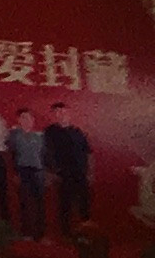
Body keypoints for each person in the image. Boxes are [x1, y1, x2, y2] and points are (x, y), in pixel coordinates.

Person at [44, 98, 93, 238]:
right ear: (53, 115)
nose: (61, 115)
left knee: (84, 203)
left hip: (80, 173)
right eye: (57, 112)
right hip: (63, 175)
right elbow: (45, 153)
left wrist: (90, 173)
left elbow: (88, 153)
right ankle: (66, 234)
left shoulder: (77, 132)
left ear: (68, 113)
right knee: (65, 205)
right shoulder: (50, 131)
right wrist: (50, 172)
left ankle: (86, 233)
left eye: (63, 112)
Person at [5, 97, 47, 240]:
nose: (27, 120)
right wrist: (14, 172)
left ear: (33, 120)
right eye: (23, 118)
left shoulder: (40, 136)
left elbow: (45, 155)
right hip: (22, 170)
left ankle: (40, 234)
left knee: (39, 203)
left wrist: (47, 172)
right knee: (24, 202)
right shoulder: (14, 135)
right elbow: (10, 153)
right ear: (18, 120)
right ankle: (26, 233)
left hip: (38, 171)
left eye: (29, 117)